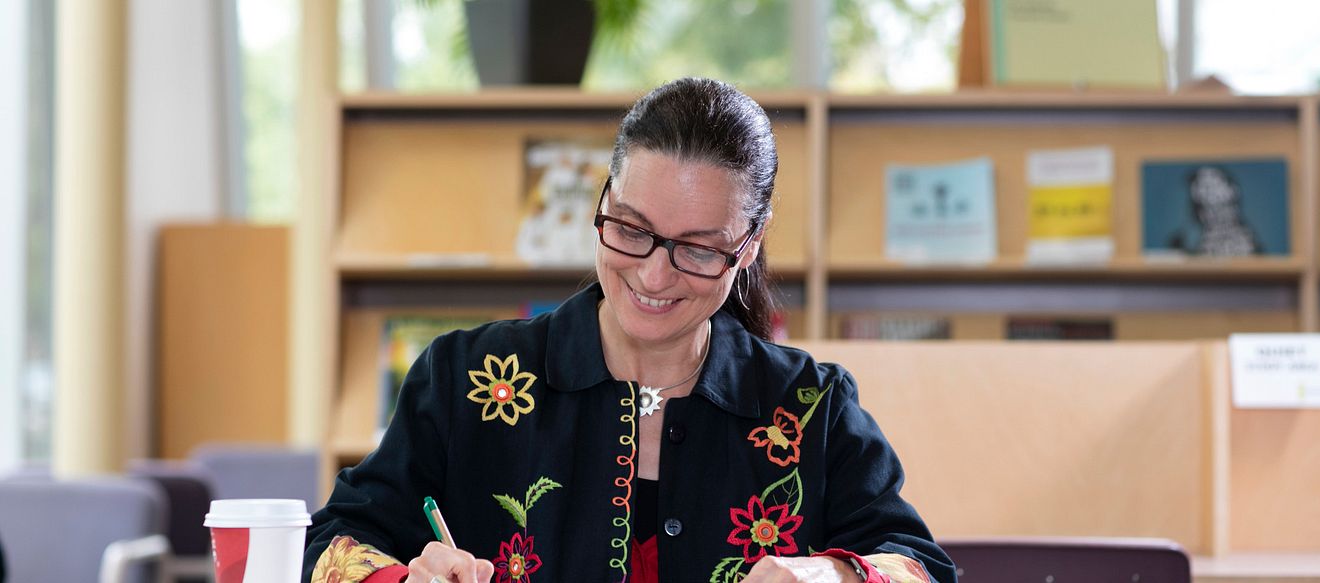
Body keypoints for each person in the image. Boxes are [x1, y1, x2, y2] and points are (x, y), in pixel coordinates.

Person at [303, 77, 955, 583]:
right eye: (632, 229)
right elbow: (327, 544)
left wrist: (831, 570)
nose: (653, 273)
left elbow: (921, 564)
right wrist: (404, 572)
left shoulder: (809, 406)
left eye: (698, 248)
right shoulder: (466, 377)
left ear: (750, 243)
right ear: (603, 200)